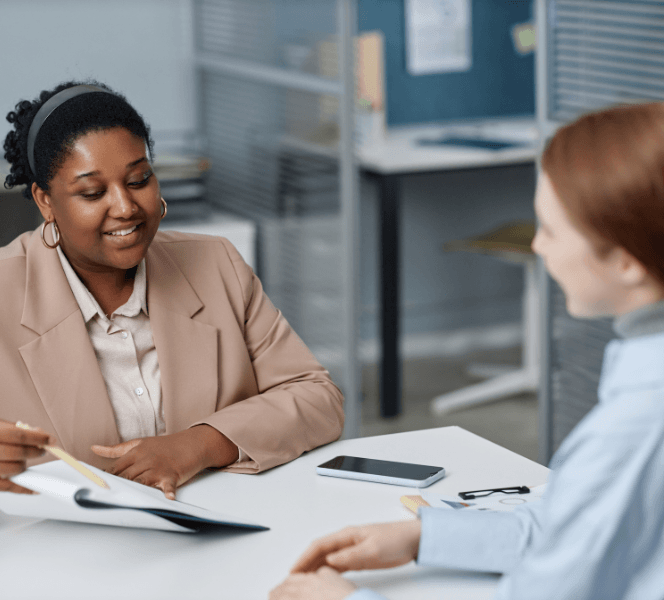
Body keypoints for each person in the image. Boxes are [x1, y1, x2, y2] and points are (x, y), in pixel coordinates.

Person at [0, 81, 344, 525]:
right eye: (92, 192)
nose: (125, 207)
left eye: (139, 179)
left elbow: (316, 397)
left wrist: (199, 445)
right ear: (46, 201)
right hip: (62, 556)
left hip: (221, 530)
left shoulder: (216, 262)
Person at [271, 102, 664, 600]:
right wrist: (425, 537)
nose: (539, 248)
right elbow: (572, 528)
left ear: (627, 263)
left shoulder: (634, 426)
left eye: (550, 229)